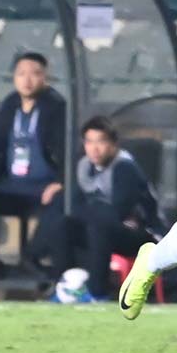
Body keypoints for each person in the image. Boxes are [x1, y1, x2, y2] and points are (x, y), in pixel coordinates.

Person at [0, 53, 69, 279]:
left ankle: (32, 257)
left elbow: (68, 150)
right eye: (21, 74)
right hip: (10, 184)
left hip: (44, 186)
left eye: (35, 74)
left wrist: (61, 182)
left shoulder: (57, 107)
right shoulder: (10, 105)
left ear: (46, 78)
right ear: (14, 78)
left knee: (63, 201)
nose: (27, 80)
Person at [71, 117, 158, 302]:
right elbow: (75, 207)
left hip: (141, 234)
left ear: (113, 144)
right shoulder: (84, 167)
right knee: (64, 225)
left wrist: (92, 212)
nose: (94, 148)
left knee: (100, 226)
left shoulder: (125, 167)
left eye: (101, 142)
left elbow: (119, 211)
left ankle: (97, 293)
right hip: (105, 228)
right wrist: (93, 213)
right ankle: (65, 286)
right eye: (89, 142)